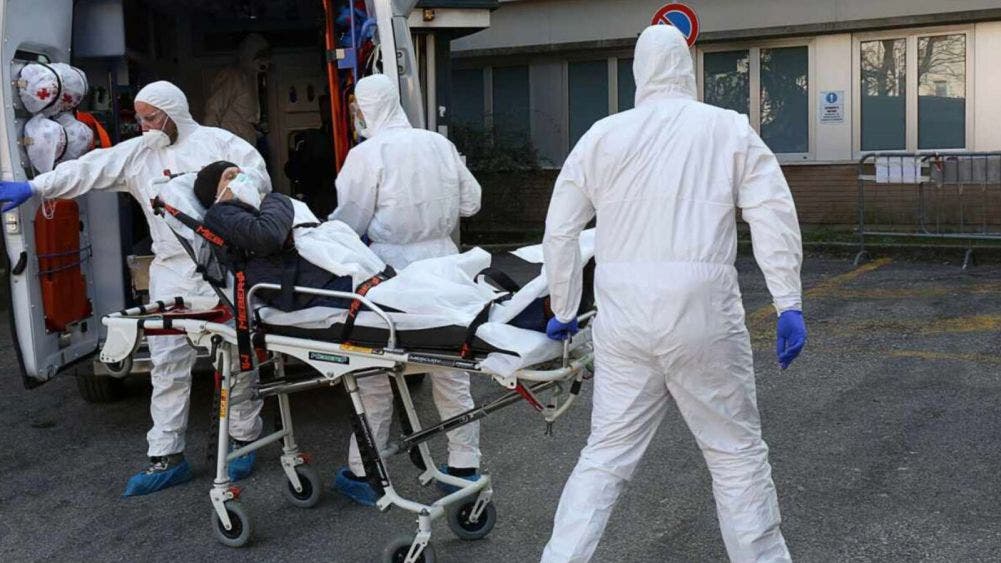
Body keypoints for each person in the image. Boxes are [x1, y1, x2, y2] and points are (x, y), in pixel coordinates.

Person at [539, 25, 806, 562]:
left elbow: (561, 230)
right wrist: (788, 302)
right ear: (688, 68)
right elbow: (772, 215)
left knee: (605, 455)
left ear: (638, 73)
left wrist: (564, 306)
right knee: (735, 454)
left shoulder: (602, 136)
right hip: (702, 313)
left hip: (623, 318)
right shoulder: (726, 129)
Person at [0, 81, 272, 496]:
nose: (143, 125)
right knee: (167, 364)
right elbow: (88, 169)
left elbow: (258, 180)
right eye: (140, 118)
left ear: (173, 112)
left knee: (236, 359)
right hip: (170, 271)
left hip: (224, 267)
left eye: (150, 117)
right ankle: (166, 455)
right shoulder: (139, 154)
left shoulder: (221, 144)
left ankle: (242, 439)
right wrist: (36, 188)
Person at [328, 73, 483, 504]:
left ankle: (364, 472)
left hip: (391, 274)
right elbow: (472, 202)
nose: (356, 116)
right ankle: (464, 466)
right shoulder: (438, 144)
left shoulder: (366, 154)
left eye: (356, 109)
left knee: (373, 372)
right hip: (446, 266)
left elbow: (348, 223)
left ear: (366, 109)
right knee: (452, 370)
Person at [193, 160, 352, 310]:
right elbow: (267, 236)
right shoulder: (220, 213)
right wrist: (274, 198)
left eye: (241, 174)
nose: (240, 179)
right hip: (307, 286)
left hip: (325, 272)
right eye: (230, 177)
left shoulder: (257, 208)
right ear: (215, 193)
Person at [204, 34, 270, 146]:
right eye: (260, 56)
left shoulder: (251, 77)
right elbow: (214, 108)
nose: (264, 61)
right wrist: (212, 141)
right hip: (232, 137)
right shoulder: (233, 76)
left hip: (245, 137)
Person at [284, 94, 338, 218]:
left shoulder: (315, 138)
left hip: (322, 195)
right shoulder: (314, 137)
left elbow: (292, 169)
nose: (324, 113)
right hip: (320, 193)